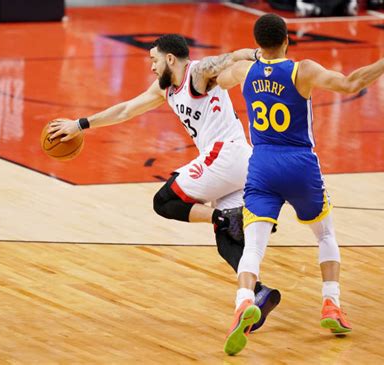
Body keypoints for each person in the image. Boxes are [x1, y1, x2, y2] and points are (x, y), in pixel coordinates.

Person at [47, 34, 281, 331]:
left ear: (171, 59)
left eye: (154, 60)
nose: (152, 67)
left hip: (226, 154)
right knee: (227, 240)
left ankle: (230, 217)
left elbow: (230, 57)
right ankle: (257, 292)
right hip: (238, 163)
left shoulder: (197, 74)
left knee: (164, 201)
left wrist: (257, 55)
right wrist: (81, 124)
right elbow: (126, 109)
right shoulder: (165, 89)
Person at [216, 14, 384, 355]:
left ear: (259, 43)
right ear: (286, 41)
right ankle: (331, 304)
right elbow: (352, 83)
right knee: (325, 235)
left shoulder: (244, 72)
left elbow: (220, 78)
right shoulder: (302, 70)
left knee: (253, 247)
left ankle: (244, 301)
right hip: (299, 164)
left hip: (262, 164)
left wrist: (248, 56)